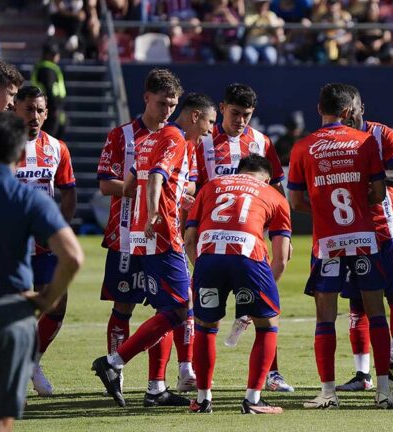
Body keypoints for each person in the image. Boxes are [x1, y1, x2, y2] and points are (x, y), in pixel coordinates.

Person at [92, 77, 202, 409]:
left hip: (156, 231)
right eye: (161, 103)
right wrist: (145, 193)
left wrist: (176, 195)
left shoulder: (175, 138)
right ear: (146, 98)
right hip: (126, 235)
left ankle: (155, 384)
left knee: (166, 307)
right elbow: (105, 184)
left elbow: (188, 185)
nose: (167, 110)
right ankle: (117, 367)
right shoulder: (123, 135)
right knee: (129, 306)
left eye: (172, 104)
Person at [288, 83, 393, 409]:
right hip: (364, 238)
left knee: (325, 317)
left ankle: (328, 393)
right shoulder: (365, 143)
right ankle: (384, 391)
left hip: (328, 241)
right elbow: (379, 194)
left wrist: (321, 209)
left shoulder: (302, 147)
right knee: (377, 313)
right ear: (349, 112)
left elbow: (295, 201)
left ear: (319, 109)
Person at [0, 111, 82, 432]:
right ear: (22, 153)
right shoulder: (27, 199)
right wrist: (46, 298)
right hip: (9, 317)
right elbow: (72, 257)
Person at [194, 83, 294, 393]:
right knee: (201, 315)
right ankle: (190, 374)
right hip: (208, 230)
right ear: (222, 108)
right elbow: (193, 184)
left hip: (251, 234)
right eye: (235, 113)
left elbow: (274, 186)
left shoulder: (261, 142)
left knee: (265, 309)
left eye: (247, 115)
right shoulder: (204, 142)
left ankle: (272, 375)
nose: (240, 121)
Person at [186, 154, 292, 414]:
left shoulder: (211, 185)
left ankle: (202, 400)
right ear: (266, 178)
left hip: (208, 256)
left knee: (205, 326)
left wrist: (202, 267)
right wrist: (265, 291)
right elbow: (281, 255)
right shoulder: (274, 194)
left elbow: (189, 238)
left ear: (239, 171)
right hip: (248, 256)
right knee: (268, 325)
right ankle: (253, 400)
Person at [333, 86, 393, 395]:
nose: (349, 118)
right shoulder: (335, 141)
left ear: (361, 107)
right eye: (345, 114)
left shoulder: (384, 135)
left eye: (353, 113)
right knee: (357, 304)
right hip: (354, 231)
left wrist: (370, 179)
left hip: (389, 229)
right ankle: (362, 373)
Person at [12, 85, 77, 396]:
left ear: (47, 113)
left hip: (44, 243)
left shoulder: (57, 148)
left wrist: (59, 228)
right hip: (10, 242)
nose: (34, 116)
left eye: (39, 110)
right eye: (28, 109)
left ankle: (32, 361)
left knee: (56, 305)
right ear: (14, 110)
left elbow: (68, 192)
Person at [31, 43, 67, 139]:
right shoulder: (47, 69)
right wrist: (54, 107)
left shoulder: (44, 67)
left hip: (50, 107)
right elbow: (49, 89)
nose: (58, 56)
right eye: (55, 54)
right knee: (50, 137)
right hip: (50, 108)